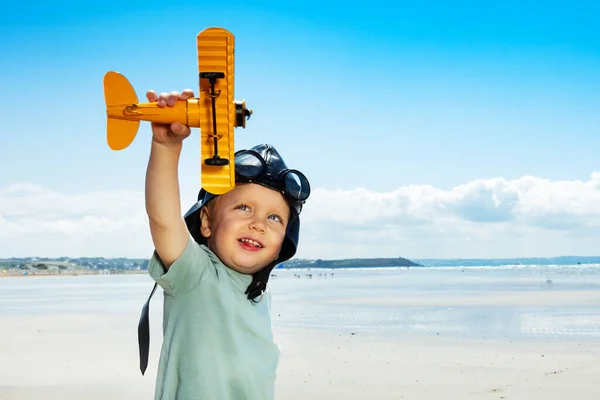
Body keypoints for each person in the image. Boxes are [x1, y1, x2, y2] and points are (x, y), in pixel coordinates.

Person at [137, 88, 311, 400]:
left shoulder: (258, 293)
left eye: (274, 218)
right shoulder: (196, 274)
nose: (258, 223)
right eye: (243, 208)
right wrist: (166, 146)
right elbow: (163, 219)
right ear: (205, 221)